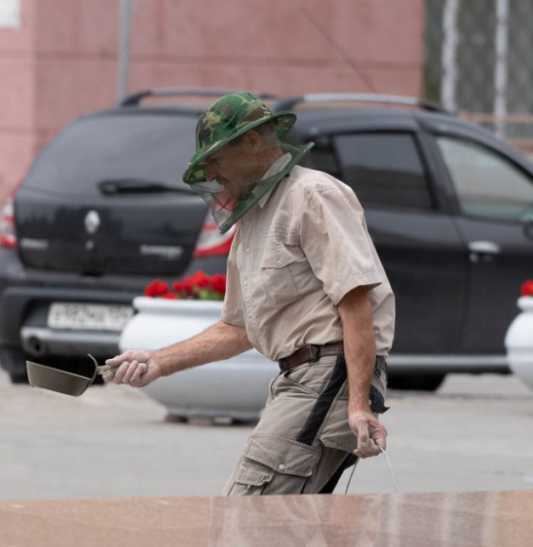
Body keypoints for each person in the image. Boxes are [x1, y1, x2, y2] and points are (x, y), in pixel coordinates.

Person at [105, 92, 395, 495]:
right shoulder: (253, 216)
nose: (212, 174)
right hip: (300, 379)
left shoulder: (312, 194)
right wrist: (157, 362)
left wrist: (359, 404)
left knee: (246, 515)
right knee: (292, 529)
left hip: (328, 376)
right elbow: (237, 328)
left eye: (217, 158)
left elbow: (355, 303)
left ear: (254, 142)